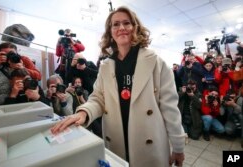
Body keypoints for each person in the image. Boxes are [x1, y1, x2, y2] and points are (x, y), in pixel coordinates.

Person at [51, 6, 185, 167]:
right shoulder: (106, 66)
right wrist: (83, 113)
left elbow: (170, 108)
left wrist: (178, 147)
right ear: (110, 32)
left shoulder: (157, 63)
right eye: (116, 24)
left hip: (150, 144)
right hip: (116, 142)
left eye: (126, 23)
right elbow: (98, 98)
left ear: (135, 28)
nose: (121, 27)